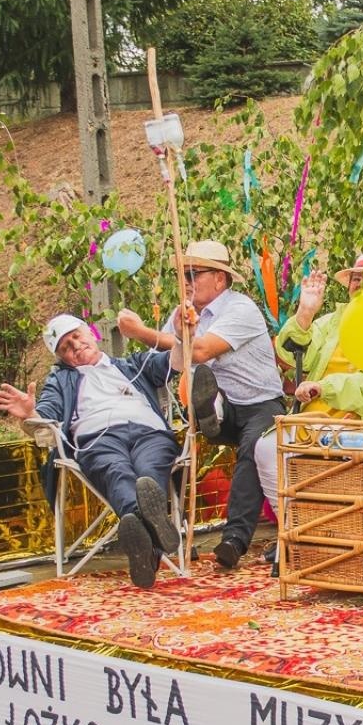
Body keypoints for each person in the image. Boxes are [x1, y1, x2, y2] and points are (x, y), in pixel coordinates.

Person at [116, 239, 285, 570]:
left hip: (261, 403)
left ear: (219, 279)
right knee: (178, 427)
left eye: (193, 274)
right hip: (226, 407)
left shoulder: (240, 308)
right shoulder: (185, 312)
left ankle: (233, 540)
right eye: (183, 275)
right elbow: (173, 357)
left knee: (253, 447)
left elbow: (202, 350)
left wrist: (143, 332)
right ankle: (210, 409)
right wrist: (177, 335)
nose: (186, 282)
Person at [0, 314, 184, 589]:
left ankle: (142, 537)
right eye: (66, 347)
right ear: (62, 358)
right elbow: (44, 425)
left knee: (149, 469)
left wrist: (181, 336)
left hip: (149, 432)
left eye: (76, 336)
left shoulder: (131, 365)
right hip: (98, 439)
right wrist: (29, 414)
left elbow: (176, 362)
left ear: (91, 333)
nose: (75, 346)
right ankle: (153, 526)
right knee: (116, 471)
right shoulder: (60, 381)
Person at [252, 256, 363, 536]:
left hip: (358, 423)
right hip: (312, 419)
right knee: (265, 447)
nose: (359, 284)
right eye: (356, 279)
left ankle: (327, 532)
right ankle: (294, 529)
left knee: (330, 451)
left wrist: (324, 387)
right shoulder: (330, 323)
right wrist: (305, 313)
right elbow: (291, 356)